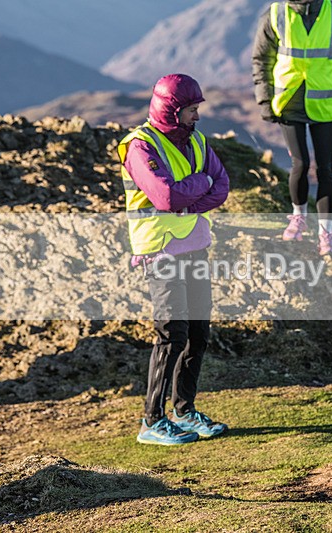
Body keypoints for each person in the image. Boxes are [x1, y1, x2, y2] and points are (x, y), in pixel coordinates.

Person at [118, 73, 230, 445]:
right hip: (160, 248)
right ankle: (152, 420)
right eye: (192, 110)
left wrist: (191, 194)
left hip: (196, 245)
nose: (197, 116)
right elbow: (165, 197)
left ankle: (184, 410)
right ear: (171, 110)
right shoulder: (140, 147)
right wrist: (202, 184)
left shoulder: (196, 140)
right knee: (171, 335)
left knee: (197, 334)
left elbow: (223, 185)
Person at [252, 0, 332, 256]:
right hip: (288, 101)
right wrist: (265, 99)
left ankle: (326, 234)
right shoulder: (276, 13)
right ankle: (298, 217)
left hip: (325, 103)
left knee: (326, 168)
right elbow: (262, 58)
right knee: (300, 164)